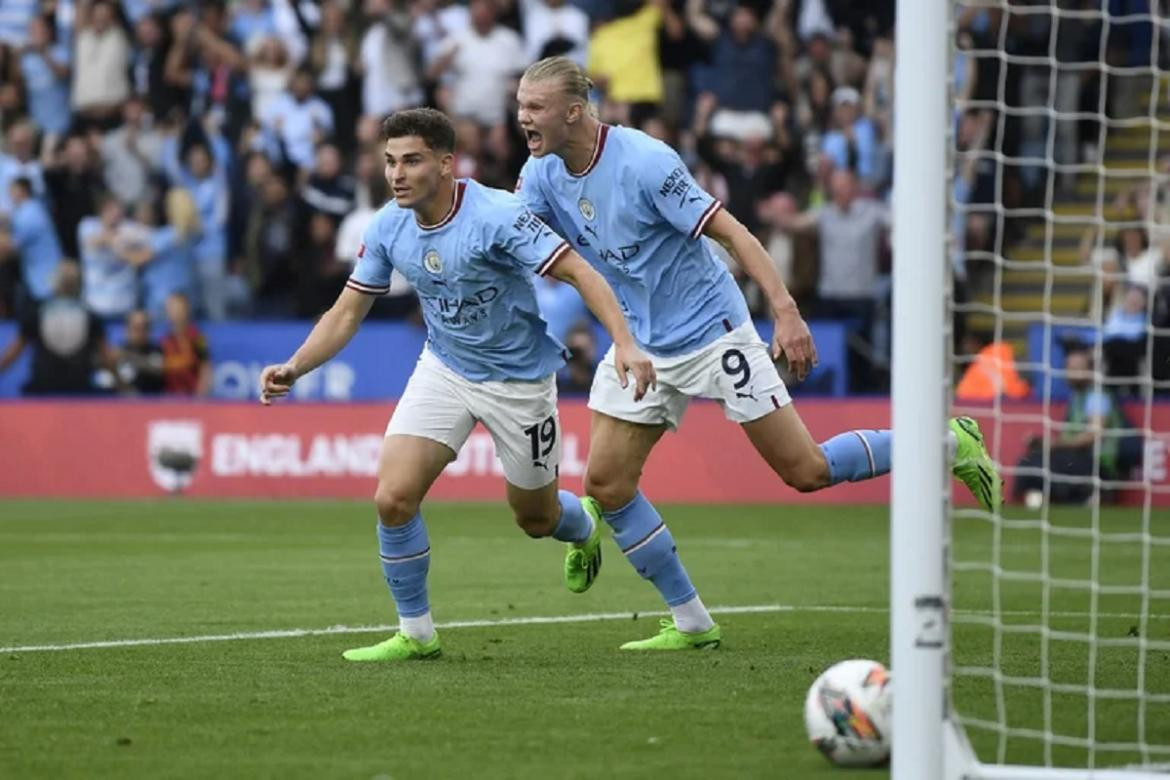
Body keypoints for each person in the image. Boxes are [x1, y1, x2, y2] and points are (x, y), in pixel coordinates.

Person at [514, 56, 1002, 651]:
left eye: (534, 107)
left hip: (714, 331)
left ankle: (951, 441)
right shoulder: (540, 175)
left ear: (572, 111)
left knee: (806, 470)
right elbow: (515, 240)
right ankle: (691, 621)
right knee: (607, 484)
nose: (522, 119)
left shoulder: (644, 162)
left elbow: (734, 234)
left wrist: (786, 311)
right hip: (640, 342)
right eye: (520, 106)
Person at [258, 108, 655, 663]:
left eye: (412, 161)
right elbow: (347, 313)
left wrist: (626, 344)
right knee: (393, 498)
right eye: (391, 161)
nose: (397, 173)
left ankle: (581, 523)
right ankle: (416, 633)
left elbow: (580, 273)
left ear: (446, 164)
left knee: (535, 519)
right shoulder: (388, 226)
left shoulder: (499, 215)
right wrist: (295, 366)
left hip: (518, 380)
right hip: (444, 368)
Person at [0, 261, 112, 395]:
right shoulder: (90, 315)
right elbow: (106, 357)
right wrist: (123, 386)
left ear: (54, 283)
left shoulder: (38, 312)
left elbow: (15, 351)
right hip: (78, 388)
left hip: (45, 387)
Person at [160, 292, 211, 396]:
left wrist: (201, 395)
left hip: (192, 399)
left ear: (186, 310)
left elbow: (205, 366)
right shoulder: (164, 341)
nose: (175, 312)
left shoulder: (197, 337)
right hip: (171, 401)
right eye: (171, 308)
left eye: (178, 308)